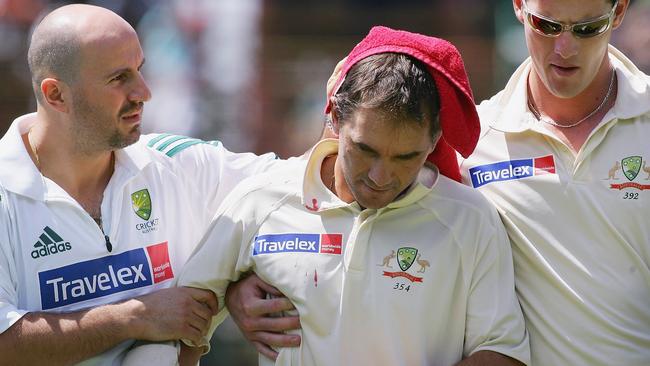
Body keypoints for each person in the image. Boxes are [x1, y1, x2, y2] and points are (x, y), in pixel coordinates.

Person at [229, 1, 650, 365]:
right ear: (519, 6)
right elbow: (319, 190)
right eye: (547, 25)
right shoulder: (472, 142)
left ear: (619, 12)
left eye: (587, 28)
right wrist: (241, 284)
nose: (565, 46)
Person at [178, 26, 529, 366]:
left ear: (435, 139)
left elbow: (503, 351)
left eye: (405, 157)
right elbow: (180, 319)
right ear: (335, 117)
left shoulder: (469, 219)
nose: (380, 176)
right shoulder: (261, 199)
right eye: (365, 149)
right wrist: (227, 293)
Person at [0, 4, 288, 365]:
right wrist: (133, 318)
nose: (143, 92)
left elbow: (298, 185)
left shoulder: (175, 165)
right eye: (118, 78)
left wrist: (236, 282)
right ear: (56, 94)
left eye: (139, 70)